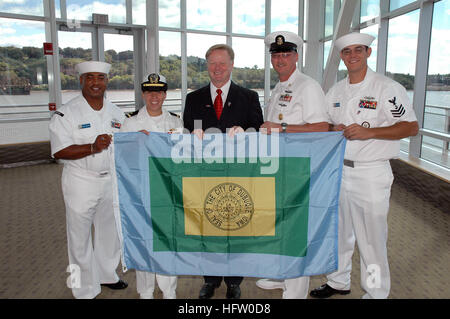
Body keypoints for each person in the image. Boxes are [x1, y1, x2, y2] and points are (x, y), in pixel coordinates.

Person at [309, 32, 419, 299]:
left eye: (359, 50)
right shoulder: (335, 91)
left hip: (371, 172)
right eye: (347, 52)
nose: (353, 55)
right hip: (338, 171)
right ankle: (338, 281)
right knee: (339, 232)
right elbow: (326, 125)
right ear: (342, 56)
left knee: (370, 240)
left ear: (368, 53)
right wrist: (335, 127)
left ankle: (375, 292)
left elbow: (411, 127)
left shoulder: (387, 88)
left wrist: (372, 132)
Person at [183, 44, 264, 299]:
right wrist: (192, 133)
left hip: (238, 173)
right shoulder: (193, 98)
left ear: (232, 65)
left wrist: (247, 131)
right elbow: (187, 130)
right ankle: (210, 279)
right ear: (207, 66)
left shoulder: (248, 96)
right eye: (212, 63)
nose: (217, 69)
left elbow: (258, 128)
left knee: (237, 226)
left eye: (222, 63)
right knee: (207, 226)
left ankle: (233, 280)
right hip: (204, 173)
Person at [254, 31, 330, 299]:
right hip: (279, 167)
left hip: (299, 169)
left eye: (286, 54)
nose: (280, 59)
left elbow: (323, 127)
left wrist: (282, 127)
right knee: (283, 225)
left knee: (297, 229)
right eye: (276, 55)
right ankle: (284, 275)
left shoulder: (307, 86)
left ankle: (296, 291)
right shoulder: (280, 86)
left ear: (296, 56)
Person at [49, 61, 128, 299]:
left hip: (111, 180)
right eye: (90, 78)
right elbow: (59, 151)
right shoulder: (67, 113)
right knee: (79, 236)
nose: (96, 83)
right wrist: (92, 147)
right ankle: (84, 288)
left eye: (101, 78)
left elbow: (127, 144)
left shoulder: (116, 112)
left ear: (107, 82)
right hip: (81, 180)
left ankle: (106, 274)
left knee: (109, 231)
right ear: (81, 81)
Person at [120, 73, 182, 299]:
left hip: (166, 190)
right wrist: (134, 142)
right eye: (149, 92)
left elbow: (181, 155)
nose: (154, 96)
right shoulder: (130, 122)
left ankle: (169, 291)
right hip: (140, 190)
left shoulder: (176, 121)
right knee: (143, 240)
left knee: (168, 241)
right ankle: (145, 291)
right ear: (143, 94)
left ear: (165, 95)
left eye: (159, 92)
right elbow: (120, 157)